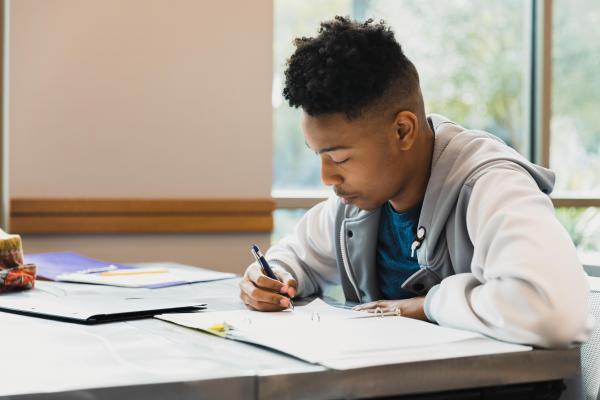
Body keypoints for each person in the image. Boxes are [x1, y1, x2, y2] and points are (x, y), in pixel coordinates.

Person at [239, 16, 593, 347]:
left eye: (340, 158)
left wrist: (428, 305)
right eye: (319, 156)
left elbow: (555, 313)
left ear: (402, 130)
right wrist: (271, 277)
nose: (327, 177)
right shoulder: (358, 203)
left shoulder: (492, 185)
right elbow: (296, 257)